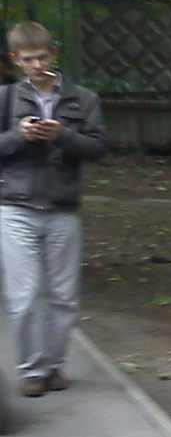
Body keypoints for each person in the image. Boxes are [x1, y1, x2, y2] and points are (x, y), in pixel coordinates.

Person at [0, 21, 107, 397]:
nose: (37, 64)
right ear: (15, 60)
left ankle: (55, 365)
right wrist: (18, 135)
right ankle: (32, 370)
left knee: (63, 294)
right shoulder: (6, 99)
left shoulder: (84, 99)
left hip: (63, 206)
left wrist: (62, 134)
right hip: (15, 206)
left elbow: (97, 150)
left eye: (43, 56)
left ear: (54, 54)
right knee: (25, 294)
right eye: (28, 59)